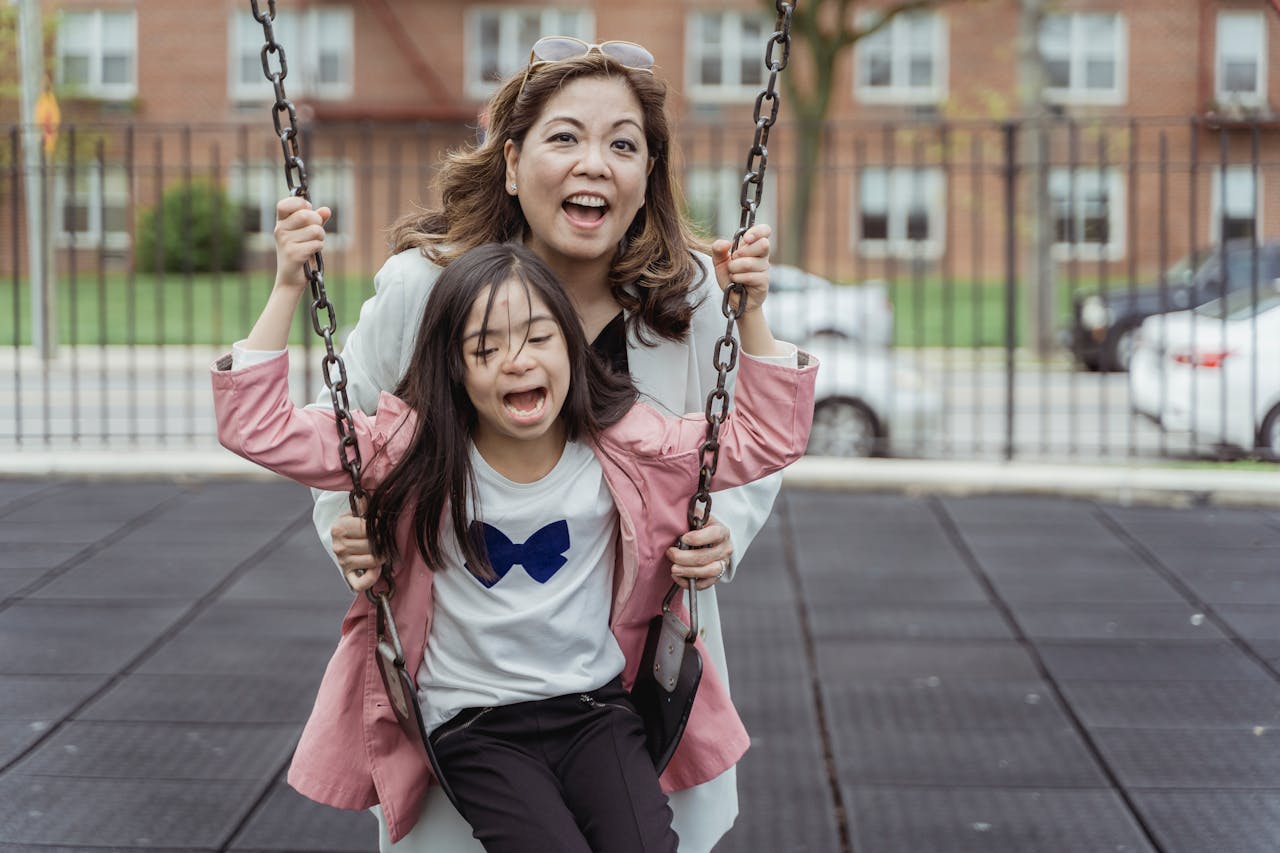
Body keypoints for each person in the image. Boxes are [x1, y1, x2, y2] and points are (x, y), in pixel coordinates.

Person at [309, 37, 786, 852]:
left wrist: (727, 527)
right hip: (476, 673)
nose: (594, 162)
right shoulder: (429, 289)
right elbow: (344, 429)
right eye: (564, 136)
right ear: (510, 163)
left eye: (623, 144)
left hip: (631, 655)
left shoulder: (694, 297)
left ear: (646, 177)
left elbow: (749, 429)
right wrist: (350, 523)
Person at [213, 215, 817, 849]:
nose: (516, 362)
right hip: (475, 722)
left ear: (571, 349)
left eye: (538, 337)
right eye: (485, 348)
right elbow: (257, 428)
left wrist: (750, 316)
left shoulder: (628, 446)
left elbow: (769, 439)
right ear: (455, 369)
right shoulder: (408, 448)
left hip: (595, 709)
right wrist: (287, 284)